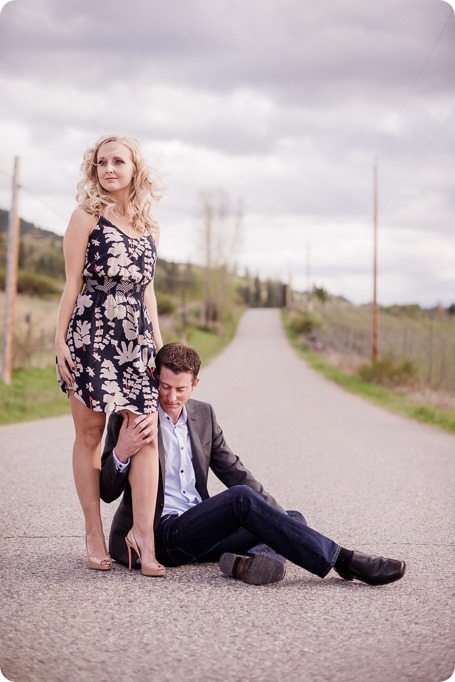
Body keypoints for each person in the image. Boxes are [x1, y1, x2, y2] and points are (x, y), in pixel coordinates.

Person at [100, 342, 406, 586]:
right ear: (156, 378)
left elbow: (234, 471)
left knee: (290, 517)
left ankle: (246, 564)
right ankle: (345, 561)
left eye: (181, 389)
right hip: (160, 534)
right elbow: (107, 492)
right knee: (244, 501)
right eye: (165, 387)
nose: (170, 397)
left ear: (195, 384)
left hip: (199, 528)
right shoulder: (130, 417)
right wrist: (122, 452)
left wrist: (276, 514)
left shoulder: (203, 414)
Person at [56, 134, 165, 576]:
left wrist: (159, 350)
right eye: (102, 162)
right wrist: (58, 340)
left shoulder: (150, 226)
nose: (108, 169)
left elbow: (148, 293)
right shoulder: (86, 217)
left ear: (135, 168)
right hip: (90, 334)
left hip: (134, 341)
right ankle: (94, 534)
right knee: (90, 435)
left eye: (118, 161)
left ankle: (144, 537)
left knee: (146, 432)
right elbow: (71, 284)